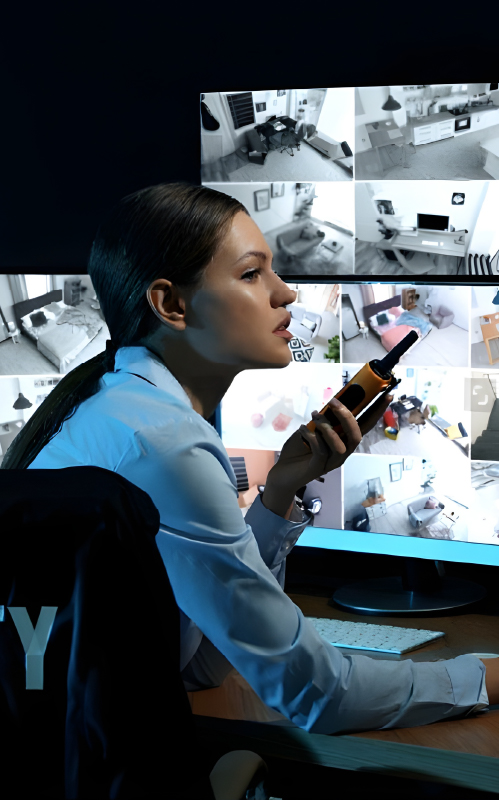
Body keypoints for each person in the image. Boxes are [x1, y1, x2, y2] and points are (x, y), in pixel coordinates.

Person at [3, 183, 498, 734]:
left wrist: (281, 490)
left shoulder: (118, 409)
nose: (285, 293)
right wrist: (486, 675)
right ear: (171, 304)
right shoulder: (168, 446)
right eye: (251, 274)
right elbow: (322, 694)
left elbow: (203, 661)